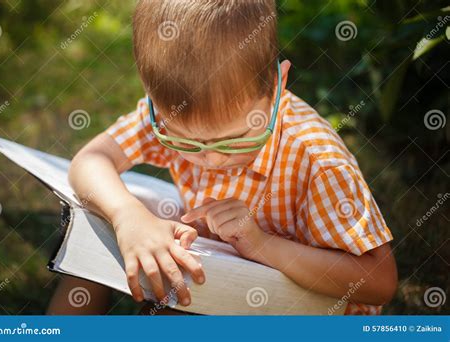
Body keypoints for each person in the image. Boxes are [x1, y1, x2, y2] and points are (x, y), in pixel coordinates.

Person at [47, 0, 397, 316]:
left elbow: (379, 281)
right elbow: (91, 159)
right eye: (187, 143)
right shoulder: (171, 116)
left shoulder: (317, 159)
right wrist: (127, 218)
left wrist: (262, 245)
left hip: (314, 310)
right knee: (97, 223)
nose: (211, 160)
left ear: (277, 86)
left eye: (233, 140)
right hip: (220, 275)